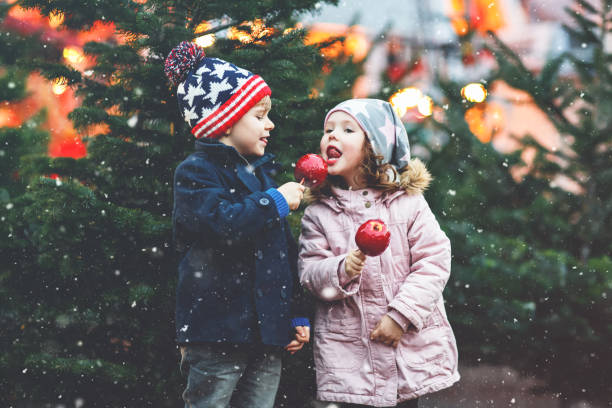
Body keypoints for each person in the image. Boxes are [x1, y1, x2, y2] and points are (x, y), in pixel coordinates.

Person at [165, 41, 310, 408]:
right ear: (226, 119)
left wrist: (294, 312)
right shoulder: (196, 173)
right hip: (217, 332)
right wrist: (274, 201)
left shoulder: (262, 176)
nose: (270, 124)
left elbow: (281, 252)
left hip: (267, 334)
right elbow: (222, 224)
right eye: (259, 115)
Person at [298, 98, 459, 407]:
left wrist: (401, 316)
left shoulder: (407, 203)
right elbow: (309, 274)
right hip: (350, 356)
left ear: (375, 146)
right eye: (328, 129)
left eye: (347, 130)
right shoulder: (319, 214)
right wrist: (342, 268)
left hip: (405, 351)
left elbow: (433, 261)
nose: (332, 136)